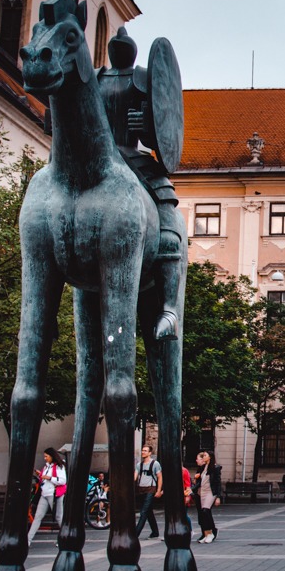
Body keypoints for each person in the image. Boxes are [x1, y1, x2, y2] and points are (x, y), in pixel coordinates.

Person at [97, 27, 185, 341]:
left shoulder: (142, 79)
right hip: (97, 158)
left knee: (165, 202)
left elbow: (160, 130)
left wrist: (144, 125)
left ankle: (170, 308)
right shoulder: (94, 78)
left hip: (132, 155)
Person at [27, 448, 67, 545]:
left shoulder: (59, 466)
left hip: (54, 494)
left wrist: (48, 477)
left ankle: (66, 539)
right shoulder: (46, 467)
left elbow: (63, 481)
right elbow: (45, 479)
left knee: (59, 517)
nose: (45, 458)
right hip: (45, 494)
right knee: (38, 517)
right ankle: (27, 540)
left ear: (52, 456)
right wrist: (40, 475)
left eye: (46, 456)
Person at [192, 451, 222, 543]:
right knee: (204, 513)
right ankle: (207, 533)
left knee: (205, 510)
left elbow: (218, 483)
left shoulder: (215, 468)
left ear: (210, 457)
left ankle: (211, 532)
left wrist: (218, 496)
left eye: (205, 455)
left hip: (210, 492)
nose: (203, 457)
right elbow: (200, 482)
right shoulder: (204, 467)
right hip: (203, 492)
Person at [134, 444, 163, 538]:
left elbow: (160, 477)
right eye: (142, 450)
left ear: (150, 453)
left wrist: (158, 490)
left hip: (151, 489)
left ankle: (136, 533)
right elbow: (135, 476)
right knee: (149, 511)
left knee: (144, 511)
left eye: (145, 450)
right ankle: (155, 532)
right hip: (141, 489)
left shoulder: (155, 464)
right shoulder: (139, 464)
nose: (143, 452)